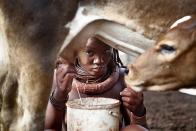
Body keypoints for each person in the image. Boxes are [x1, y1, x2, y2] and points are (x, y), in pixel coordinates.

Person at [44, 36, 148, 131]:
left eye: (106, 51)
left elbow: (139, 128)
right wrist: (59, 94)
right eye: (89, 52)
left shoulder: (123, 77)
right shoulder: (60, 78)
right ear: (76, 51)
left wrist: (138, 110)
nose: (99, 60)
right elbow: (50, 128)